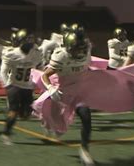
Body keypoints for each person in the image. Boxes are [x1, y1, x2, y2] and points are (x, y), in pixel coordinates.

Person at [41, 27, 95, 165]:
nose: (80, 52)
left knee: (86, 118)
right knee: (57, 126)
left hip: (80, 92)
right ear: (69, 47)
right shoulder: (61, 55)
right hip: (63, 93)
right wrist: (50, 88)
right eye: (77, 49)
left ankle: (84, 150)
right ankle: (48, 125)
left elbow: (86, 68)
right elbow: (45, 75)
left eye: (82, 48)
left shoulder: (86, 52)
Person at [0, 29, 42, 146]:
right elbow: (3, 72)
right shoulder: (11, 53)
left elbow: (38, 65)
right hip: (15, 86)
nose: (31, 42)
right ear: (21, 41)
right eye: (28, 40)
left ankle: (9, 113)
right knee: (14, 111)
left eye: (31, 40)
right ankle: (6, 134)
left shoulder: (36, 53)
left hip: (27, 87)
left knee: (26, 114)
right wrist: (7, 85)